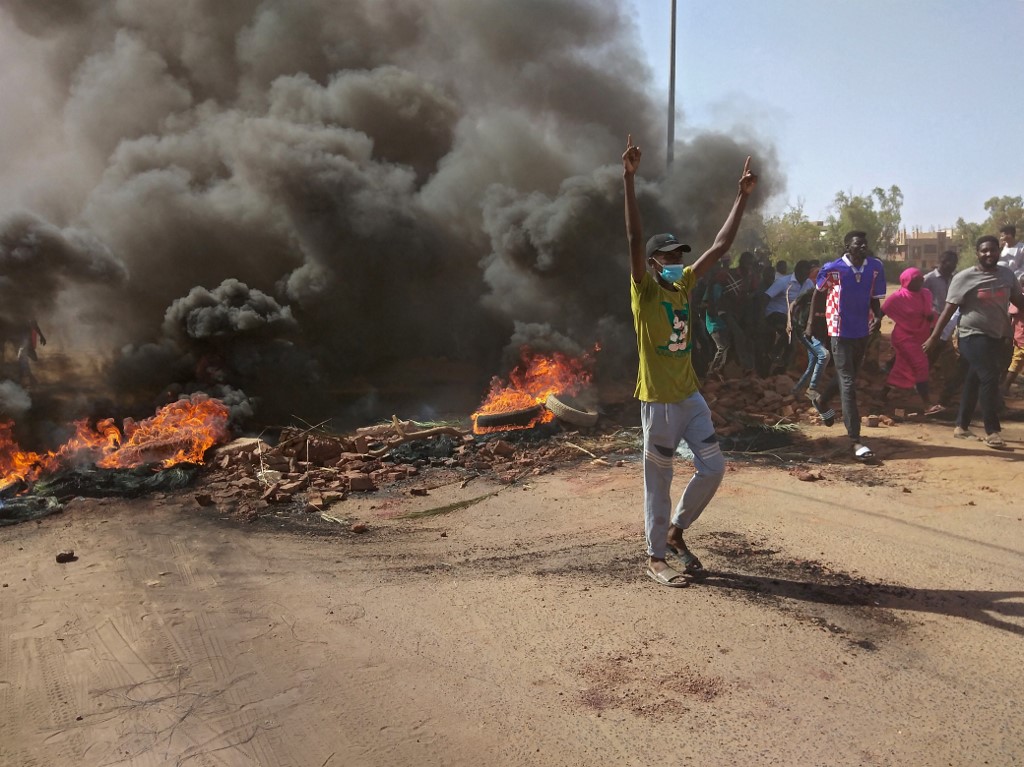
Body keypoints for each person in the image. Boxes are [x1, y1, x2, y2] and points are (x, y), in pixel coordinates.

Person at [623, 134, 757, 588]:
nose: (677, 261)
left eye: (679, 256)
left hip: (690, 397)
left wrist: (741, 197)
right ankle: (655, 556)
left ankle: (677, 531)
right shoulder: (644, 292)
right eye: (667, 257)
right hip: (659, 402)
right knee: (657, 482)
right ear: (652, 264)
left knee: (714, 467)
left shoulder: (682, 284)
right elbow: (634, 237)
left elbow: (719, 246)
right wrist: (628, 179)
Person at [924, 235, 1024, 448]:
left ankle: (961, 426)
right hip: (971, 335)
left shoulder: (1007, 275)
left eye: (993, 250)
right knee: (989, 376)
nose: (989, 254)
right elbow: (948, 310)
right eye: (984, 250)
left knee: (973, 379)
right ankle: (992, 431)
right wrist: (934, 338)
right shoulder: (964, 277)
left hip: (997, 336)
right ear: (977, 253)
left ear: (999, 251)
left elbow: (1019, 301)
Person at [805, 231, 887, 461]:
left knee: (848, 375)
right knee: (848, 383)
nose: (862, 247)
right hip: (839, 329)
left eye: (864, 244)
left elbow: (874, 296)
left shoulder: (875, 267)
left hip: (862, 329)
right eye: (857, 244)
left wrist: (877, 316)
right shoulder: (833, 269)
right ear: (847, 246)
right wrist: (811, 323)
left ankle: (821, 401)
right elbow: (818, 294)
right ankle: (856, 441)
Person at [880, 268, 940, 413]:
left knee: (902, 366)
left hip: (921, 336)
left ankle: (882, 394)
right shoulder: (897, 298)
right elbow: (881, 312)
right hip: (904, 337)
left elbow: (928, 312)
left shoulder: (926, 294)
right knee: (921, 365)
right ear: (906, 282)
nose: (920, 283)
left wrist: (931, 317)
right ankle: (927, 404)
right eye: (915, 280)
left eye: (921, 280)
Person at [923, 250, 964, 405]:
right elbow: (920, 297)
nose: (952, 266)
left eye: (954, 263)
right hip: (932, 323)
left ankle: (950, 386)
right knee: (932, 352)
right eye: (949, 262)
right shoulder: (928, 279)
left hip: (949, 322)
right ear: (941, 262)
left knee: (945, 353)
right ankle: (920, 382)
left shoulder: (955, 279)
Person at [788, 261, 829, 394]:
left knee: (812, 364)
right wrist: (789, 322)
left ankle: (796, 390)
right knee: (824, 355)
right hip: (806, 331)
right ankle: (812, 389)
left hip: (820, 332)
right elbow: (793, 304)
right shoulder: (811, 293)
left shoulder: (833, 295)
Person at [1001, 274, 1024, 397]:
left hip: (1019, 336)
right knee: (1016, 363)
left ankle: (1004, 387)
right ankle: (1004, 387)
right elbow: (1010, 316)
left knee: (1016, 363)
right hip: (1021, 338)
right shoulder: (1019, 298)